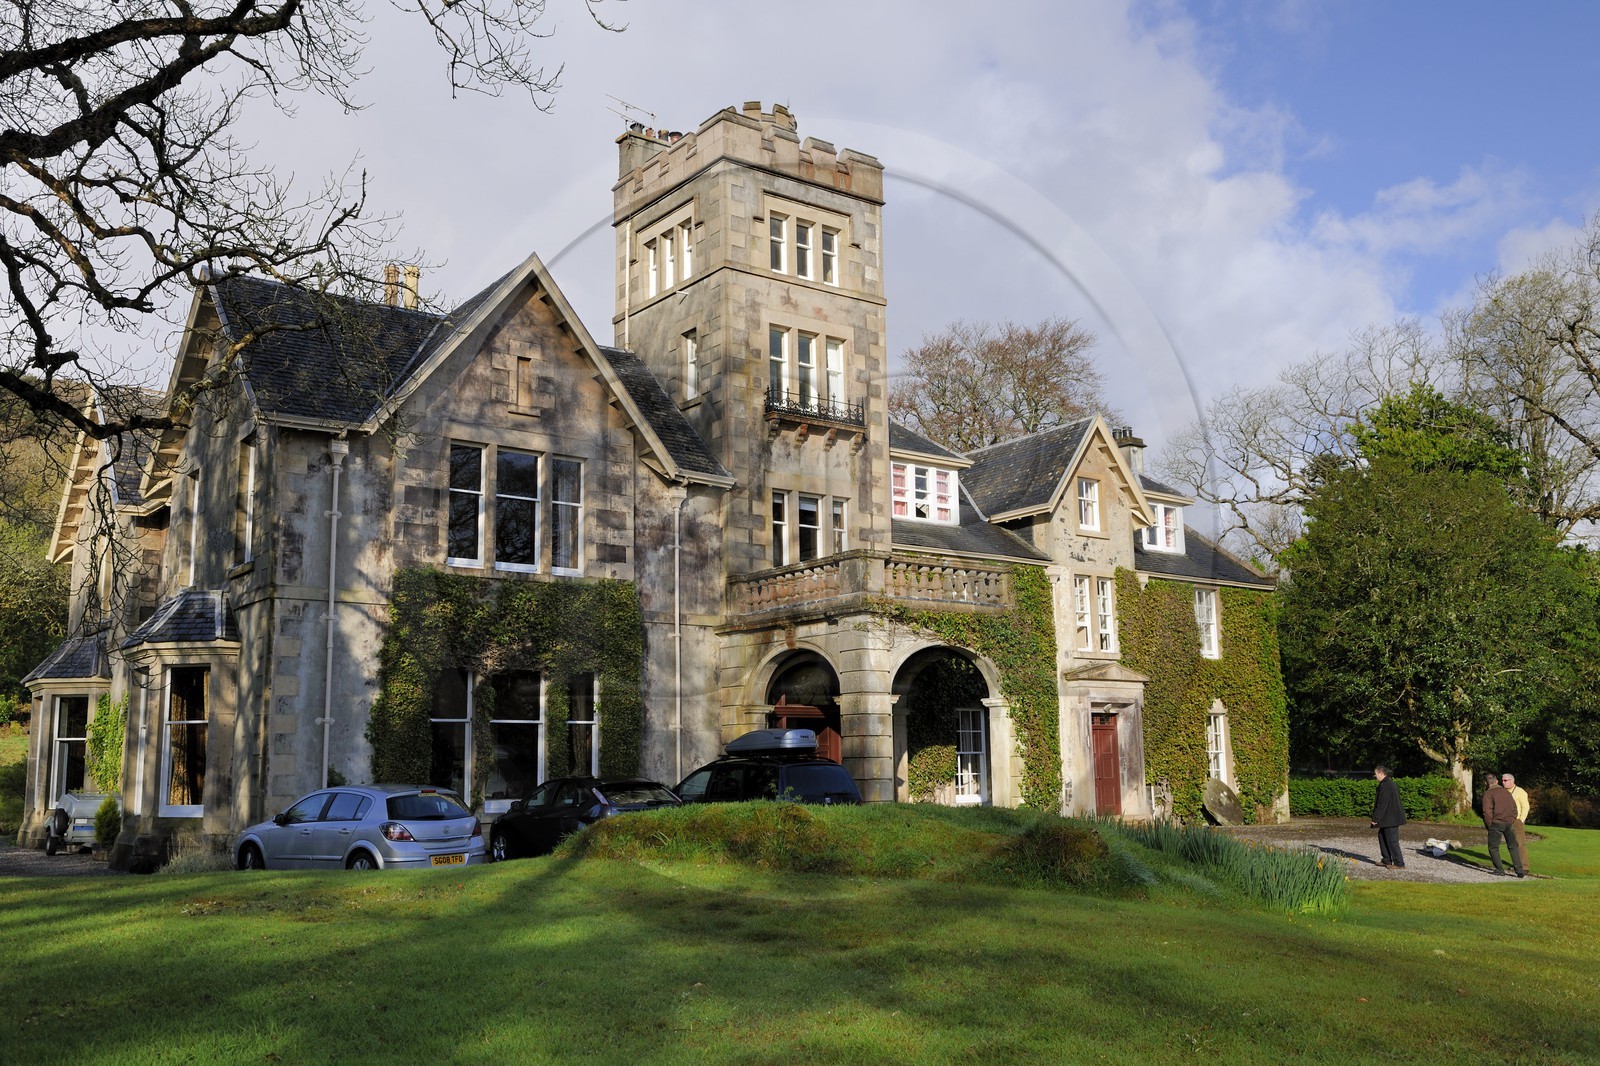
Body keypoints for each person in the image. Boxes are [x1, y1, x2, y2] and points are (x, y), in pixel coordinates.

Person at [1482, 773, 1526, 877]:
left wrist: (1489, 825)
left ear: (1485, 783)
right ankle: (1519, 870)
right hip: (1509, 822)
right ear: (1496, 781)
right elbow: (1514, 808)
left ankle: (1499, 870)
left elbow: (1487, 812)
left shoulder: (1488, 794)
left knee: (1493, 847)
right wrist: (1512, 819)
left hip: (1496, 823)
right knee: (1513, 847)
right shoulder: (1506, 792)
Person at [1370, 765, 1406, 869]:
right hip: (1388, 817)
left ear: (1381, 773)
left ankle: (1399, 863)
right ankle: (1386, 860)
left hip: (1391, 818)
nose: (1375, 776)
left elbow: (1382, 804)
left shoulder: (1386, 785)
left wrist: (1375, 819)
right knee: (1382, 836)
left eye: (1375, 774)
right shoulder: (1388, 783)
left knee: (1392, 840)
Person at [1503, 773, 1531, 875]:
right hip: (1506, 820)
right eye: (1502, 780)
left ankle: (1524, 866)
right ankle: (1517, 864)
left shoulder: (1520, 792)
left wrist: (1521, 820)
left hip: (1516, 820)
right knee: (1512, 844)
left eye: (1505, 780)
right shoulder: (1503, 792)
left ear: (1512, 781)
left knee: (1520, 843)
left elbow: (1525, 807)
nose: (1503, 782)